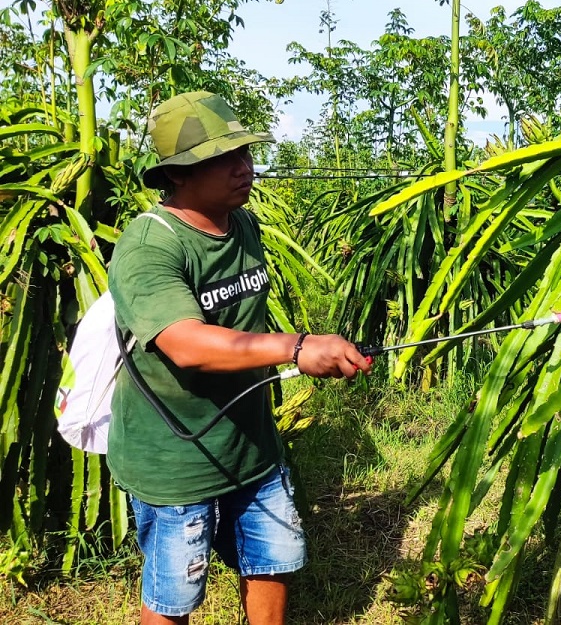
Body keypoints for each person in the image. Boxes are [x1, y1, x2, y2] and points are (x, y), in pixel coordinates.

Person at [107, 91, 372, 625]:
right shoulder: (150, 247)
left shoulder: (242, 225)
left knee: (273, 561)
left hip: (252, 446)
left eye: (245, 152)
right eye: (222, 158)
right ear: (176, 174)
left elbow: (244, 325)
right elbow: (185, 343)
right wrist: (297, 347)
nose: (243, 167)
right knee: (174, 595)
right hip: (176, 461)